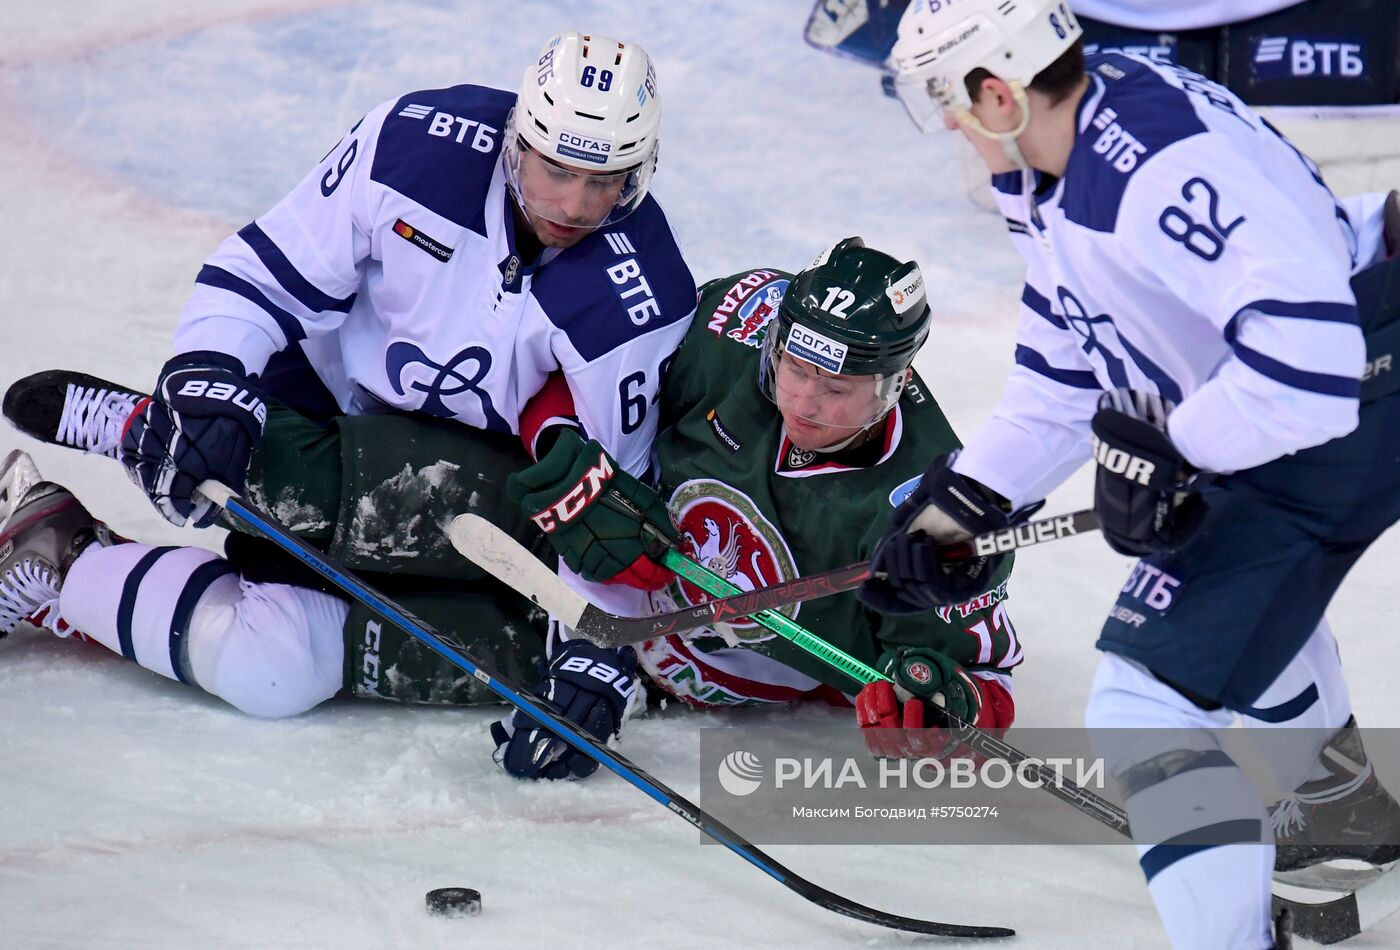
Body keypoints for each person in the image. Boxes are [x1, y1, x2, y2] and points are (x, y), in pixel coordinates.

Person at [861, 1, 1400, 947]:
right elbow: (1075, 364)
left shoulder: (1152, 174)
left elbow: (1312, 366)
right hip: (1338, 385)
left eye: (946, 99)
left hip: (1358, 383)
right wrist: (967, 502)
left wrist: (1181, 451)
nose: (945, 122)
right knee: (1231, 573)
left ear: (998, 94)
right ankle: (1337, 796)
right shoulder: (1077, 152)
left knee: (1142, 701)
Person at [0, 30, 695, 761]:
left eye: (605, 179)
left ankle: (61, 559)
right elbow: (260, 273)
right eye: (557, 169)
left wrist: (597, 646)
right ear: (518, 139)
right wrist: (207, 372)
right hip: (324, 396)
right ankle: (152, 426)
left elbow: (609, 509)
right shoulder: (414, 149)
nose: (576, 205)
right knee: (220, 463)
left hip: (480, 479)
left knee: (271, 670)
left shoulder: (640, 300)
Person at [493, 237, 1023, 777]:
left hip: (693, 674)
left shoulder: (936, 514)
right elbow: (565, 377)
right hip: (582, 560)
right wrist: (571, 466)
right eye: (794, 368)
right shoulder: (733, 329)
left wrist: (942, 709)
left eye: (836, 388)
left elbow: (982, 689)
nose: (803, 402)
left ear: (895, 383)